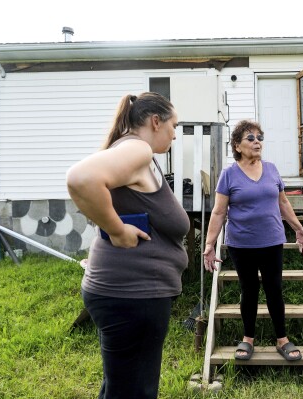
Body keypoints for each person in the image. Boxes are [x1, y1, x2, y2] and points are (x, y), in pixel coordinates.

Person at [66, 92, 189, 399]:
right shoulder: (138, 149)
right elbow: (81, 179)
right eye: (174, 124)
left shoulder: (131, 150)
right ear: (156, 121)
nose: (175, 133)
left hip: (127, 293)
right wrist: (117, 229)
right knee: (134, 391)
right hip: (133, 296)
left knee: (121, 388)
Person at [203, 119, 303, 361]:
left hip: (272, 240)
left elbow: (283, 203)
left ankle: (282, 339)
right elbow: (219, 211)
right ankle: (248, 339)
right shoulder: (229, 174)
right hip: (241, 244)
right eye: (250, 138)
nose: (257, 142)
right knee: (249, 290)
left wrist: (298, 228)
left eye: (260, 138)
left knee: (274, 289)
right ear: (237, 145)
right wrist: (210, 244)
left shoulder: (272, 169)